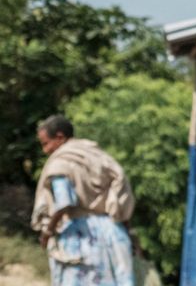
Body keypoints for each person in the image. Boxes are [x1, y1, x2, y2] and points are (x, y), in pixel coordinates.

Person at [31, 115, 136, 286]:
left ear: (59, 137)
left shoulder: (62, 162)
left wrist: (48, 232)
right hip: (114, 233)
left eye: (46, 143)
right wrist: (130, 235)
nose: (45, 150)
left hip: (82, 237)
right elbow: (120, 199)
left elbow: (64, 202)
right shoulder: (100, 156)